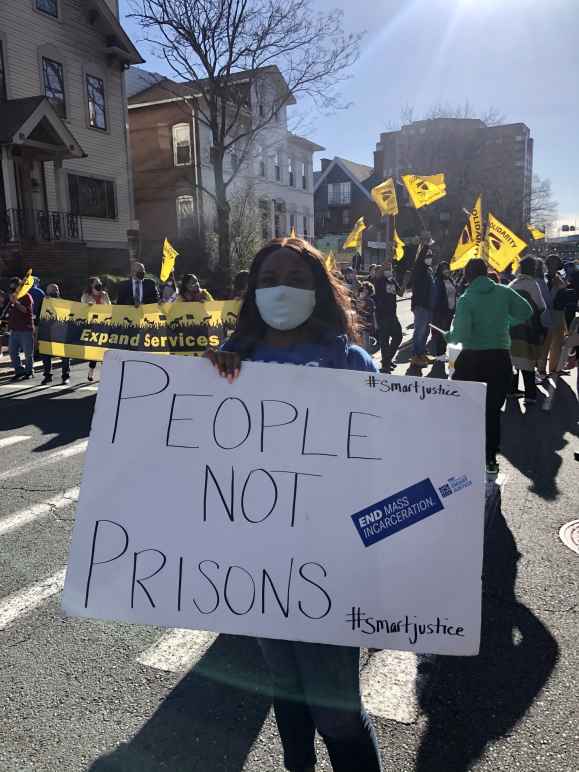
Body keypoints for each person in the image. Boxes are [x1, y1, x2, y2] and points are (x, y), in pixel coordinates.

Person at [206, 237, 381, 772]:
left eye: (298, 279)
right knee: (286, 682)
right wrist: (208, 380)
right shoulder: (234, 360)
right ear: (253, 291)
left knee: (336, 712)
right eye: (268, 279)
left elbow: (386, 456)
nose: (281, 288)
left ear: (320, 292)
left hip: (328, 560)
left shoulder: (350, 361)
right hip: (259, 559)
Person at [444, 258, 533, 474]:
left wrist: (449, 336)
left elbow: (461, 335)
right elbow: (527, 311)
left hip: (471, 361)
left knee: (468, 410)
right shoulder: (504, 292)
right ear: (486, 272)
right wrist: (505, 323)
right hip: (499, 358)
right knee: (492, 411)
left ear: (468, 276)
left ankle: (466, 456)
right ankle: (490, 459)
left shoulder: (467, 298)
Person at [508, 257, 547, 405]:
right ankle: (530, 394)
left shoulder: (512, 284)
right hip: (528, 328)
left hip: (511, 328)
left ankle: (511, 390)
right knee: (527, 361)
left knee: (513, 360)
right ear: (532, 269)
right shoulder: (532, 284)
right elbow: (541, 306)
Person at [539, 254, 569, 376]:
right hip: (547, 312)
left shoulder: (560, 278)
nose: (553, 266)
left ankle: (554, 368)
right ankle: (541, 368)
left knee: (558, 342)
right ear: (547, 265)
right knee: (546, 342)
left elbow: (564, 290)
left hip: (559, 312)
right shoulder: (543, 279)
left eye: (556, 264)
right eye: (551, 264)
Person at [373, 258, 403, 372]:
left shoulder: (392, 280)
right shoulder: (379, 280)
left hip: (392, 315)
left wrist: (405, 280)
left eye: (390, 268)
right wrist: (388, 256)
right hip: (382, 315)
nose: (388, 270)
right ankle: (386, 363)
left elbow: (400, 293)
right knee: (384, 341)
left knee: (398, 336)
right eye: (386, 268)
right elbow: (381, 269)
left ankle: (387, 359)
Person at [81, 277, 112, 381]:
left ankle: (105, 374)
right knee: (94, 351)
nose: (99, 285)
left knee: (105, 351)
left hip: (104, 326)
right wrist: (88, 306)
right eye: (97, 283)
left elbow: (110, 307)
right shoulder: (86, 296)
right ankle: (91, 372)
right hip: (93, 327)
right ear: (91, 285)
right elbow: (81, 310)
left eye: (100, 283)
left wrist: (105, 301)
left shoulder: (104, 294)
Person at [409, 244, 435, 367]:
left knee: (425, 332)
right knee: (419, 331)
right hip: (420, 305)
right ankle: (415, 356)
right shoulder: (419, 269)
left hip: (428, 306)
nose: (430, 258)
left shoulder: (428, 272)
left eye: (431, 256)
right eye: (428, 256)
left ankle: (421, 353)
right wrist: (426, 246)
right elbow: (420, 259)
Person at [40, 283, 70, 385]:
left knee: (65, 356)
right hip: (47, 334)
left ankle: (65, 376)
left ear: (58, 291)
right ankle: (47, 376)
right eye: (51, 291)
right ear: (47, 292)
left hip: (61, 333)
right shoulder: (43, 302)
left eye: (55, 290)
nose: (54, 292)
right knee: (46, 356)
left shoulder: (64, 303)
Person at [6, 276, 35, 380]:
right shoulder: (11, 296)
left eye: (15, 286)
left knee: (28, 352)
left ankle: (29, 371)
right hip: (14, 329)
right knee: (13, 352)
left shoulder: (27, 296)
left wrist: (16, 302)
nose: (13, 288)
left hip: (26, 329)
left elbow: (26, 310)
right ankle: (19, 370)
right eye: (12, 286)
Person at [431, 261, 456, 356]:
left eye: (447, 268)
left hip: (450, 310)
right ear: (440, 270)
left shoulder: (450, 280)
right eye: (444, 269)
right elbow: (437, 297)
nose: (446, 270)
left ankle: (443, 352)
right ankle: (439, 353)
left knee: (447, 332)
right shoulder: (438, 281)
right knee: (441, 333)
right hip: (442, 312)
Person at [357, 280, 377, 353]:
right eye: (363, 289)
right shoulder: (359, 299)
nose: (363, 291)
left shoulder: (370, 301)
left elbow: (370, 313)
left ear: (369, 291)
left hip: (366, 325)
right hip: (359, 325)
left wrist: (375, 325)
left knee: (365, 347)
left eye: (365, 289)